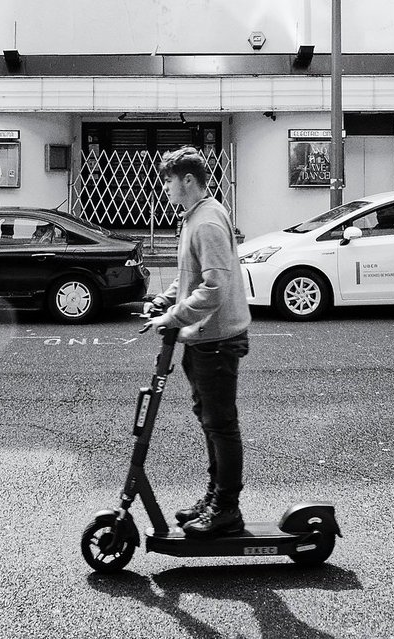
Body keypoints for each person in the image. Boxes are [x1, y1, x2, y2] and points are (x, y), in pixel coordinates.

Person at [141, 146, 251, 537]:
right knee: (210, 421)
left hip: (217, 338)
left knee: (220, 425)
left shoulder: (205, 221)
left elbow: (215, 287)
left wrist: (173, 317)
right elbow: (191, 275)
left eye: (168, 180)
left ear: (188, 180)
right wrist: (165, 298)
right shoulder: (197, 216)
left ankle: (227, 509)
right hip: (204, 337)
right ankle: (214, 497)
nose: (165, 187)